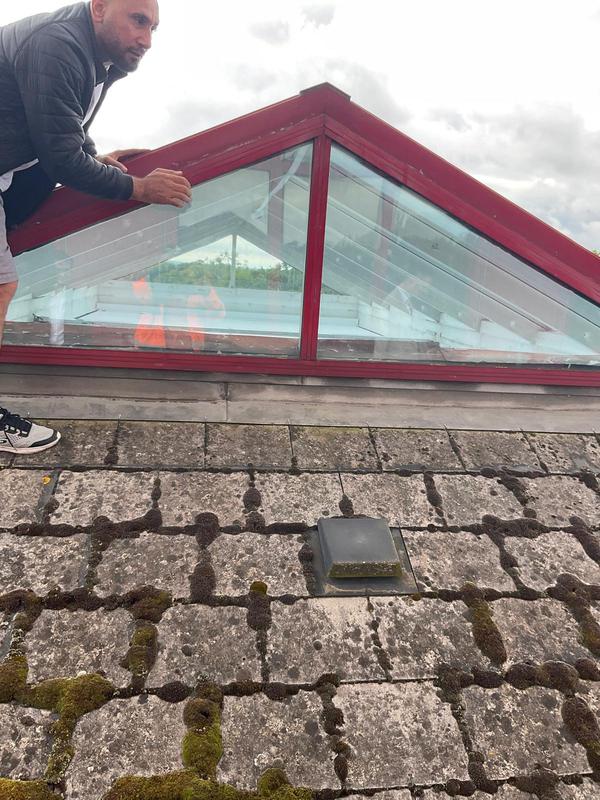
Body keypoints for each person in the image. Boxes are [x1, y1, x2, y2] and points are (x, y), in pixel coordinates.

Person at [0, 0, 191, 454]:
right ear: (100, 7)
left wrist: (94, 156)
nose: (146, 39)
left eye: (154, 27)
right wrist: (138, 187)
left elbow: (61, 127)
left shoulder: (94, 55)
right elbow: (62, 159)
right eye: (138, 21)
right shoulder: (58, 44)